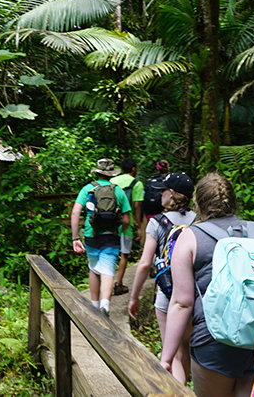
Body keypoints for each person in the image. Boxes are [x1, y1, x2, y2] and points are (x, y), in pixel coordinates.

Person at [160, 173, 254, 396]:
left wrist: (167, 358)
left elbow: (182, 303)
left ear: (198, 206)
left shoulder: (190, 238)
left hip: (214, 340)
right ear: (233, 203)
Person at [127, 172, 198, 384]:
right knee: (185, 350)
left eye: (163, 191)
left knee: (173, 353)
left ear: (172, 194)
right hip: (194, 293)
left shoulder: (157, 223)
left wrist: (134, 297)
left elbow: (145, 263)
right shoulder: (199, 220)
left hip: (168, 295)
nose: (160, 195)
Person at [70, 158, 132, 315]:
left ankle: (94, 304)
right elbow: (126, 219)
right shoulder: (118, 191)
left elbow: (75, 212)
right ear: (111, 174)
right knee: (108, 270)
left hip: (92, 234)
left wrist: (75, 238)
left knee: (94, 268)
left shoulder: (87, 189)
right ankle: (105, 304)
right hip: (111, 235)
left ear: (97, 172)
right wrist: (118, 230)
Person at [110, 158, 146, 295]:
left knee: (110, 252)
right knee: (124, 254)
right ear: (134, 169)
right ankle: (118, 284)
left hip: (110, 223)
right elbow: (136, 206)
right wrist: (138, 225)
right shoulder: (136, 184)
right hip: (127, 223)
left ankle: (106, 282)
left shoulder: (112, 181)